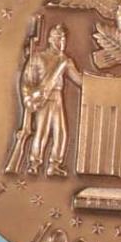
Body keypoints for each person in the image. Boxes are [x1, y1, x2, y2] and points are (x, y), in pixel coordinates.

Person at [18, 24, 81, 177]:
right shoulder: (39, 58)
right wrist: (28, 99)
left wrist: (97, 82)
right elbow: (27, 82)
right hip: (43, 98)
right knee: (42, 132)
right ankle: (34, 164)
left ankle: (54, 165)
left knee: (61, 133)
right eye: (58, 39)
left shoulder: (65, 60)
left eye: (63, 39)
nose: (62, 42)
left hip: (58, 97)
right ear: (51, 40)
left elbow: (79, 81)